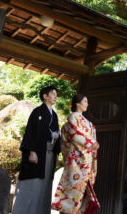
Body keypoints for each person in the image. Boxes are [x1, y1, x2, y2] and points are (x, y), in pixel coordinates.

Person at [12, 85, 61, 214]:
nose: (55, 96)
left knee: (45, 187)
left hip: (49, 154)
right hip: (37, 153)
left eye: (56, 94)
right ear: (45, 96)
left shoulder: (54, 115)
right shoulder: (37, 112)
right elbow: (30, 133)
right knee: (32, 184)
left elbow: (56, 134)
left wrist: (56, 153)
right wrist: (32, 151)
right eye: (53, 94)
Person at [52, 94, 100, 214]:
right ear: (77, 103)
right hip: (77, 159)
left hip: (86, 159)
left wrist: (93, 144)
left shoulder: (87, 122)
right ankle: (68, 211)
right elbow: (74, 134)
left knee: (83, 190)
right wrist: (91, 143)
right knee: (73, 188)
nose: (87, 104)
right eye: (85, 101)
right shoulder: (73, 117)